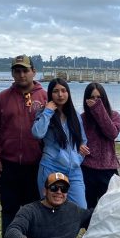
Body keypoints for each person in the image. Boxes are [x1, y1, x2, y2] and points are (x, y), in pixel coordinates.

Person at [0, 54, 47, 238]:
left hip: (37, 163)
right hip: (8, 162)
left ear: (33, 72)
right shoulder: (2, 98)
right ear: (13, 73)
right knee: (9, 206)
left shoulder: (45, 97)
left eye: (25, 70)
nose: (21, 74)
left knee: (35, 206)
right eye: (17, 70)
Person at [32, 78, 89, 207]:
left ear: (68, 93)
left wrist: (79, 152)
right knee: (51, 209)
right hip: (51, 167)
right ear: (50, 94)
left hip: (73, 170)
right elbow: (37, 133)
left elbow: (82, 139)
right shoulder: (44, 113)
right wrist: (48, 111)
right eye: (56, 91)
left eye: (64, 90)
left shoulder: (75, 115)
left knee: (80, 208)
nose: (60, 94)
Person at [80, 83, 120, 208]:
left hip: (108, 169)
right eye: (92, 97)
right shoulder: (82, 118)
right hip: (87, 168)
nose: (95, 101)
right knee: (89, 208)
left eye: (99, 98)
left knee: (110, 208)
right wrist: (79, 145)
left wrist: (98, 110)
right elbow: (75, 138)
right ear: (86, 99)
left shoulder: (114, 116)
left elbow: (112, 133)